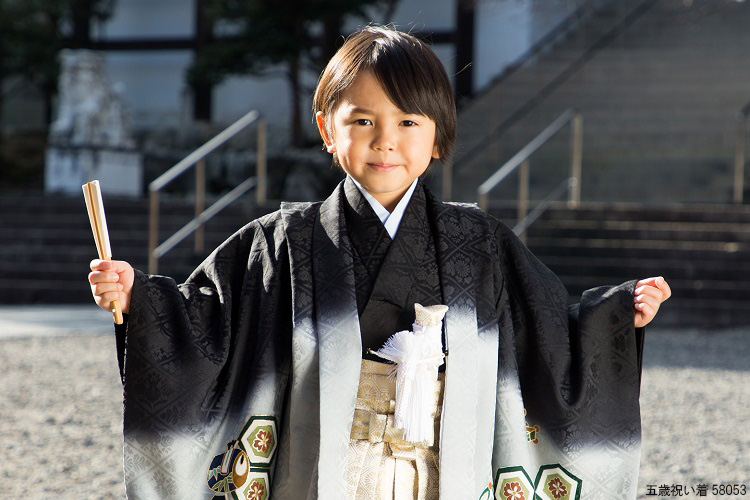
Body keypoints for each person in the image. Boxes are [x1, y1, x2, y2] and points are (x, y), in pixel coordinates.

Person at [89, 26, 671, 500]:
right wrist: (139, 300)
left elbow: (550, 333)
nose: (385, 140)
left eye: (408, 122)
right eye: (363, 120)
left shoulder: (481, 243)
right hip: (326, 472)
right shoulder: (283, 243)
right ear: (327, 130)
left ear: (438, 137)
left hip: (446, 474)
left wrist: (617, 315)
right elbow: (204, 327)